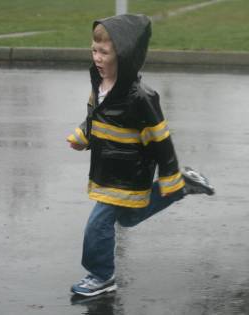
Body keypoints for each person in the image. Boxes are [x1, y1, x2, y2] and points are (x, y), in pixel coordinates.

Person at [66, 14, 215, 297]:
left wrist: (168, 175)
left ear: (123, 55)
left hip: (129, 172)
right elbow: (96, 117)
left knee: (98, 223)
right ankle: (185, 185)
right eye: (93, 50)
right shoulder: (99, 84)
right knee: (129, 219)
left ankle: (101, 275)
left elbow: (161, 142)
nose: (97, 57)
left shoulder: (141, 97)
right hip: (105, 169)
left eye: (104, 52)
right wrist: (82, 135)